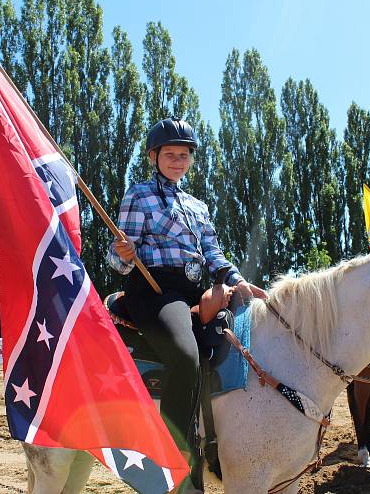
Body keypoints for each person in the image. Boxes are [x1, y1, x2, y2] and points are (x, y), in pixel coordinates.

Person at [108, 116, 266, 493]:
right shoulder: (139, 194)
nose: (178, 161)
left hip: (197, 287)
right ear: (154, 156)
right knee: (185, 356)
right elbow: (117, 260)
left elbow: (212, 252)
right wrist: (124, 254)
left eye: (184, 155)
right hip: (156, 289)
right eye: (170, 154)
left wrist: (237, 280)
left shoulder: (198, 205)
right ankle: (170, 455)